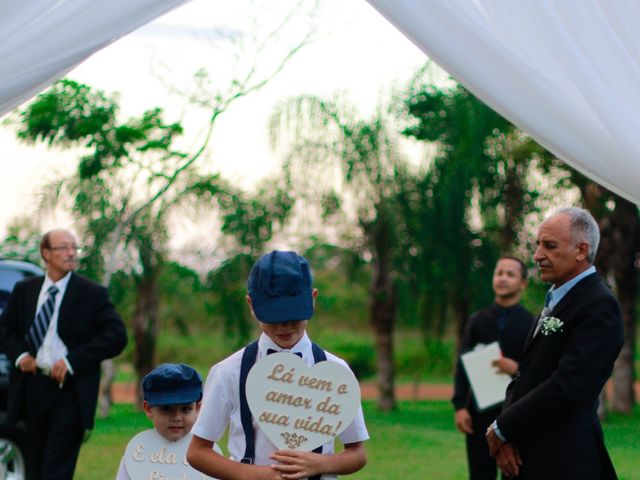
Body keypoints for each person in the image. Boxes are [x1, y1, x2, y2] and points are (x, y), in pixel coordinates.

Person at [187, 250, 369, 480]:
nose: (284, 326)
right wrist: (256, 475)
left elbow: (357, 453)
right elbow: (197, 452)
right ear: (251, 304)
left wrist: (321, 463)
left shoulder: (337, 371)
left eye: (294, 315)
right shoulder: (228, 371)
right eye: (273, 316)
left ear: (312, 299)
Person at [486, 208, 624, 479]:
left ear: (581, 250)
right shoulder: (557, 297)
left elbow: (569, 384)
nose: (537, 256)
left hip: (563, 459)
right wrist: (507, 435)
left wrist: (503, 427)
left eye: (549, 246)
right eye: (538, 245)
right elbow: (528, 375)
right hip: (526, 453)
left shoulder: (599, 304)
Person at [0, 228, 128, 480]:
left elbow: (116, 337)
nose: (71, 253)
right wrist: (21, 356)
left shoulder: (92, 293)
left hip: (69, 391)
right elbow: (5, 329)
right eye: (63, 248)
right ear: (45, 253)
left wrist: (72, 361)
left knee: (57, 470)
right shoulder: (25, 289)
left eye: (74, 247)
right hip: (30, 389)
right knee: (33, 465)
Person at [452, 256, 534, 480]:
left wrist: (515, 367)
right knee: (480, 474)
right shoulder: (477, 321)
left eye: (510, 274)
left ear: (523, 283)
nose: (503, 279)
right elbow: (463, 364)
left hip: (515, 414)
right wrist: (460, 406)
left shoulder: (531, 323)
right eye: (499, 273)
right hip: (479, 415)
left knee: (515, 473)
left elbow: (538, 368)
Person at [115, 363, 204, 480]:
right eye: (166, 408)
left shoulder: (206, 454)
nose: (177, 417)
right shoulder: (137, 455)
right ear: (148, 409)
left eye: (186, 409)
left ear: (198, 408)